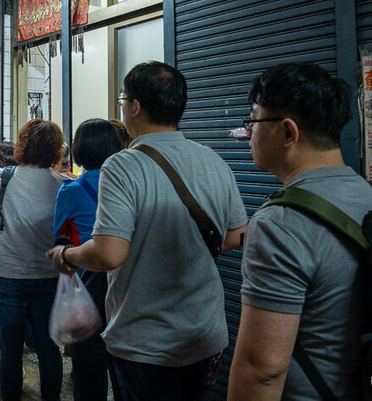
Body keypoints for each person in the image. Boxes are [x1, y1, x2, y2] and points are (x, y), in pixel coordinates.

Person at [48, 61, 247, 401]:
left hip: (147, 339)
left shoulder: (123, 164)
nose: (123, 106)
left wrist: (66, 255)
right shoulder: (212, 159)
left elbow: (110, 253)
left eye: (123, 98)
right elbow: (235, 236)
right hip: (207, 331)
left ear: (135, 107)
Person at [227, 63, 371, 400]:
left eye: (253, 121)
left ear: (288, 132)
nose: (248, 133)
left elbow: (262, 370)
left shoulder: (279, 223)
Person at [0, 119, 66, 401]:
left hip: (6, 273)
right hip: (48, 275)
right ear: (55, 150)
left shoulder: (1, 177)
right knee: (48, 347)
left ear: (22, 146)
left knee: (10, 347)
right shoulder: (62, 186)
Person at [52, 119, 124, 401]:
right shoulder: (128, 186)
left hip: (87, 290)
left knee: (88, 373)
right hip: (125, 287)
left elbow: (59, 240)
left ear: (79, 150)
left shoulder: (70, 190)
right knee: (122, 371)